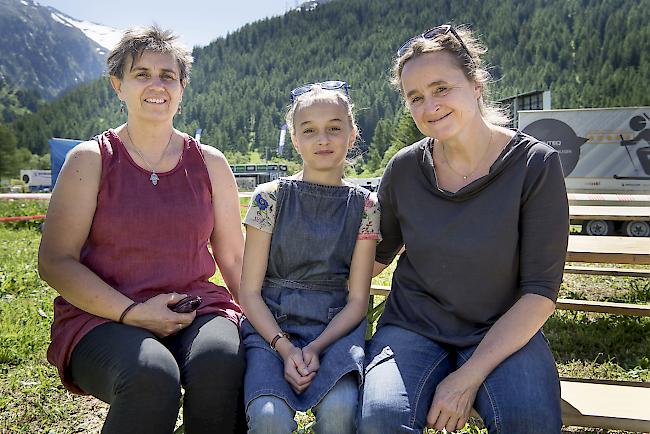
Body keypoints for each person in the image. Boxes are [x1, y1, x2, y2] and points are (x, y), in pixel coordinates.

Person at [359, 24, 569, 434]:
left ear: (475, 85)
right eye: (415, 97)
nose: (429, 106)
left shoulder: (534, 166)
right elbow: (374, 259)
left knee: (529, 422)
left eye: (441, 88)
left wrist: (467, 378)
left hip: (503, 332)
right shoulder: (404, 168)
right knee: (382, 418)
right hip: (413, 327)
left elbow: (540, 294)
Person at [39, 26, 245, 434]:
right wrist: (133, 313)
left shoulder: (211, 163)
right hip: (102, 316)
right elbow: (55, 262)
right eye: (141, 74)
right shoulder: (90, 159)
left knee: (222, 359)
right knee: (152, 375)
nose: (156, 84)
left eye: (168, 75)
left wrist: (270, 330)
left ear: (182, 87)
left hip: (196, 307)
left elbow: (235, 259)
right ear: (119, 86)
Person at [238, 81, 380, 434]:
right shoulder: (268, 198)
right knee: (268, 416)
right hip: (271, 325)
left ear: (351, 135)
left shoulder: (366, 206)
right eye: (310, 130)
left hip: (334, 328)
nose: (323, 139)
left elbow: (358, 300)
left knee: (340, 411)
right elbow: (250, 293)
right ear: (295, 139)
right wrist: (285, 349)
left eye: (334, 128)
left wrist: (316, 347)